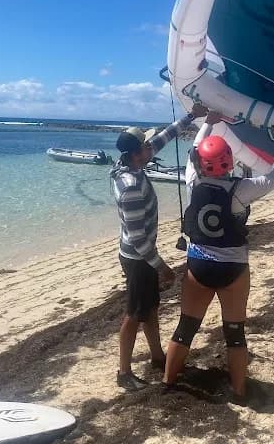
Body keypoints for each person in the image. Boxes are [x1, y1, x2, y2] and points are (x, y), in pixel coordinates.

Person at [162, 111, 274, 399]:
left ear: (202, 164)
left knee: (186, 326)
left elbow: (194, 154)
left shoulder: (193, 182)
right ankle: (239, 390)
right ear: (229, 159)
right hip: (233, 268)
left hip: (199, 267)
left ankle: (168, 382)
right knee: (235, 332)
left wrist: (209, 123)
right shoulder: (243, 189)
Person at [110, 102, 208, 391]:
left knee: (151, 308)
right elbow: (139, 239)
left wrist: (192, 116)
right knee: (134, 314)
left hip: (141, 255)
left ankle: (157, 357)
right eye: (145, 147)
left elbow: (162, 138)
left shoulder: (129, 162)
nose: (150, 149)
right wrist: (162, 266)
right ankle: (124, 373)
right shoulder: (129, 185)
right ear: (136, 154)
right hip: (138, 257)